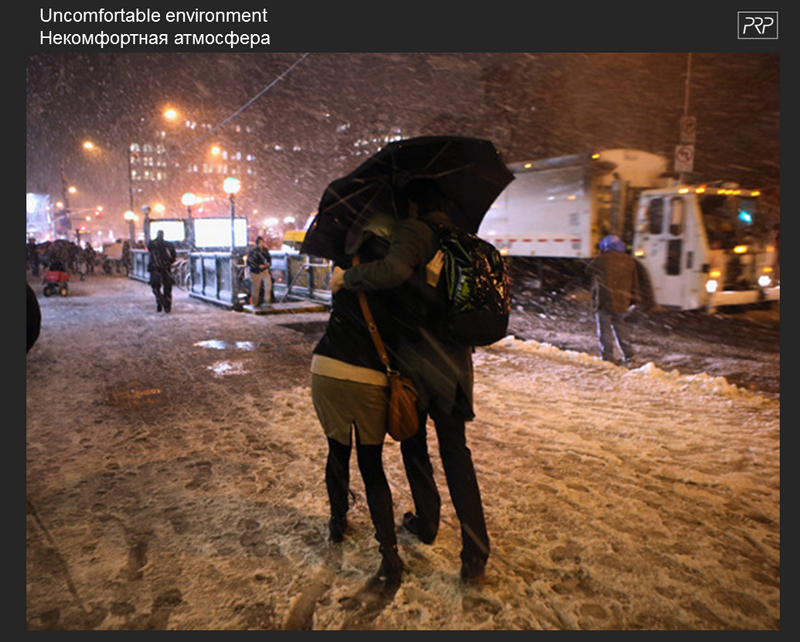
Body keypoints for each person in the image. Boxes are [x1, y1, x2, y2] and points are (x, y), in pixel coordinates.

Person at [330, 179, 490, 581]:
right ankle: (475, 551)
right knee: (457, 455)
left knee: (414, 447)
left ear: (412, 203)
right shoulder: (459, 238)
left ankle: (428, 521)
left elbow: (393, 270)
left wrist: (347, 279)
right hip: (455, 369)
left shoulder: (413, 231)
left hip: (418, 367)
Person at [310, 222, 404, 584]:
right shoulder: (395, 278)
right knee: (371, 464)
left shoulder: (343, 268)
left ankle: (337, 522)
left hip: (327, 367)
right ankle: (389, 551)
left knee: (337, 451)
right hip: (369, 377)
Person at [588, 234, 640, 365]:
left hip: (604, 301)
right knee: (620, 328)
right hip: (622, 301)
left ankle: (608, 356)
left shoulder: (601, 259)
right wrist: (633, 299)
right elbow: (635, 282)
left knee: (604, 330)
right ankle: (629, 355)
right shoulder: (629, 261)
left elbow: (588, 270)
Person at [147, 230, 177, 313]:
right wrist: (169, 262)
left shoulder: (152, 243)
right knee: (167, 286)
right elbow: (173, 255)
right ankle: (167, 303)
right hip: (165, 267)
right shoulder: (168, 244)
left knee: (155, 287)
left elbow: (149, 249)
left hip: (154, 267)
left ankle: (160, 300)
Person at [247, 236, 273, 307]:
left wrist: (268, 263)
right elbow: (250, 262)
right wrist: (258, 266)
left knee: (268, 285)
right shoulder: (253, 252)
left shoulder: (265, 250)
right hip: (256, 272)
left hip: (264, 270)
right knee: (256, 288)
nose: (261, 244)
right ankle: (255, 303)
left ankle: (266, 301)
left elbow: (269, 258)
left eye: (262, 242)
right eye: (260, 243)